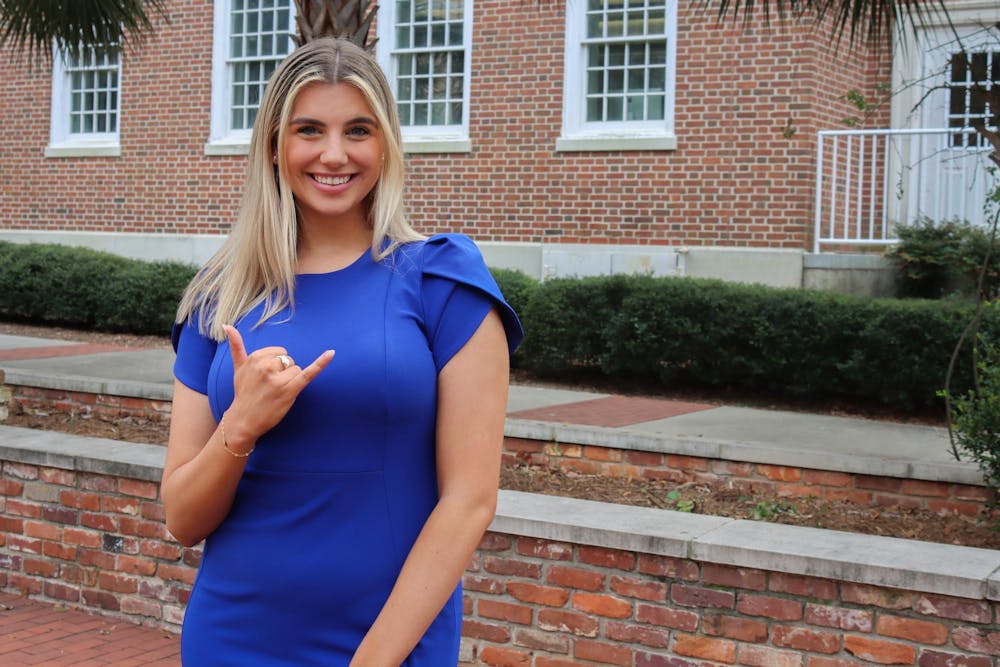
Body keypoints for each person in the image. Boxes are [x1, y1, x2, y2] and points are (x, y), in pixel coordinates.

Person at [161, 37, 522, 666]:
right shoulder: (218, 300)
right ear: (275, 145)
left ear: (385, 144)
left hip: (386, 642)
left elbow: (469, 501)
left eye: (358, 129)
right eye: (309, 130)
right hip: (234, 636)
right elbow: (182, 521)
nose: (334, 154)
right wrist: (240, 425)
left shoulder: (443, 282)